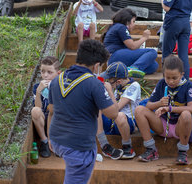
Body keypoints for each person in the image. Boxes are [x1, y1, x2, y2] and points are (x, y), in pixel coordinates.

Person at [47, 39, 119, 184]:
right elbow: (113, 113)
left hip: (56, 139)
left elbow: (52, 110)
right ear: (96, 65)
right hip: (78, 146)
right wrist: (109, 91)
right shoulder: (93, 83)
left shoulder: (57, 80)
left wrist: (50, 137)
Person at [135, 55, 192, 164]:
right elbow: (149, 105)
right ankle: (151, 149)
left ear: (182, 74)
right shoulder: (161, 84)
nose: (170, 81)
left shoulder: (189, 85)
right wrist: (159, 103)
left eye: (174, 78)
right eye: (167, 77)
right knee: (139, 110)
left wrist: (170, 108)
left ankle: (183, 152)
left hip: (181, 127)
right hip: (163, 125)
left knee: (186, 114)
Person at [158, 0, 192, 80]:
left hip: (173, 23)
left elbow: (167, 7)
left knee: (167, 54)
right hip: (185, 23)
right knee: (183, 55)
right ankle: (185, 82)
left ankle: (166, 80)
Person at [97, 61, 141, 159]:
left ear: (119, 82)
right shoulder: (117, 86)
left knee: (119, 115)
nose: (108, 82)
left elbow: (116, 109)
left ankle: (127, 146)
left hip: (126, 123)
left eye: (110, 80)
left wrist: (109, 91)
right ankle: (104, 144)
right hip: (111, 122)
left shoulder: (134, 86)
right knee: (95, 107)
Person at [103, 7, 158, 78]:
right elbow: (132, 46)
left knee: (154, 65)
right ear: (127, 21)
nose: (134, 24)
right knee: (152, 52)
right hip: (116, 56)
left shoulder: (116, 26)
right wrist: (144, 37)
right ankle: (133, 68)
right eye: (133, 21)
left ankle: (128, 71)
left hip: (118, 58)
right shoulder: (121, 27)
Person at [31, 56, 61, 158]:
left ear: (58, 73)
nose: (45, 75)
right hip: (43, 122)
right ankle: (44, 141)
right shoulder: (37, 87)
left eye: (49, 72)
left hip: (58, 123)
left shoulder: (62, 86)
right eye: (42, 72)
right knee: (35, 111)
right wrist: (39, 91)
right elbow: (38, 107)